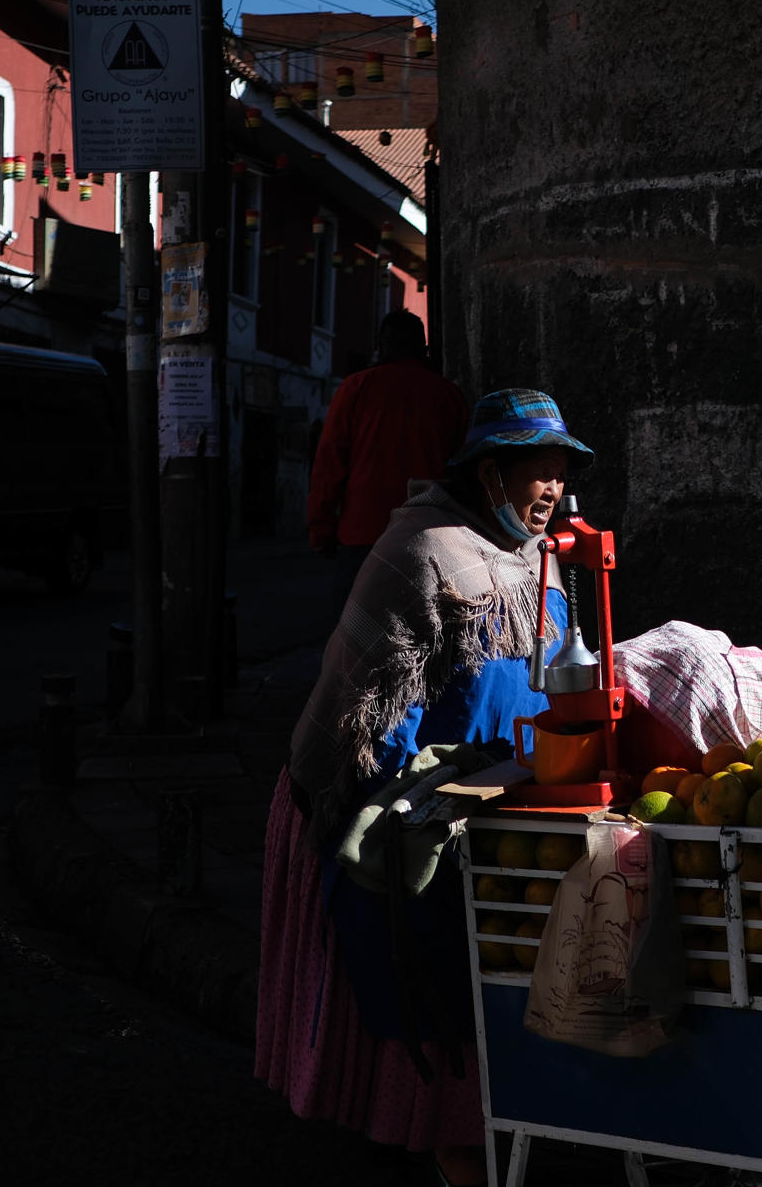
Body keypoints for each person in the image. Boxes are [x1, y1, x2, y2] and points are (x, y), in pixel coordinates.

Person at [257, 389, 593, 1187]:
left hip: (489, 791)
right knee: (414, 971)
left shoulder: (538, 561)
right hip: (394, 796)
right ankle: (432, 1139)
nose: (548, 492)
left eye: (556, 474)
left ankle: (429, 1131)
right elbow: (369, 715)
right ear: (487, 473)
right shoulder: (426, 553)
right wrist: (413, 800)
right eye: (532, 474)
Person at [307, 309, 468, 611]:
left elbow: (329, 466)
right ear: (424, 348)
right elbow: (463, 469)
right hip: (431, 534)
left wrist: (321, 530)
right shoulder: (448, 395)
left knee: (357, 638)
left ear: (383, 344)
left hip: (364, 535)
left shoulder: (356, 388)